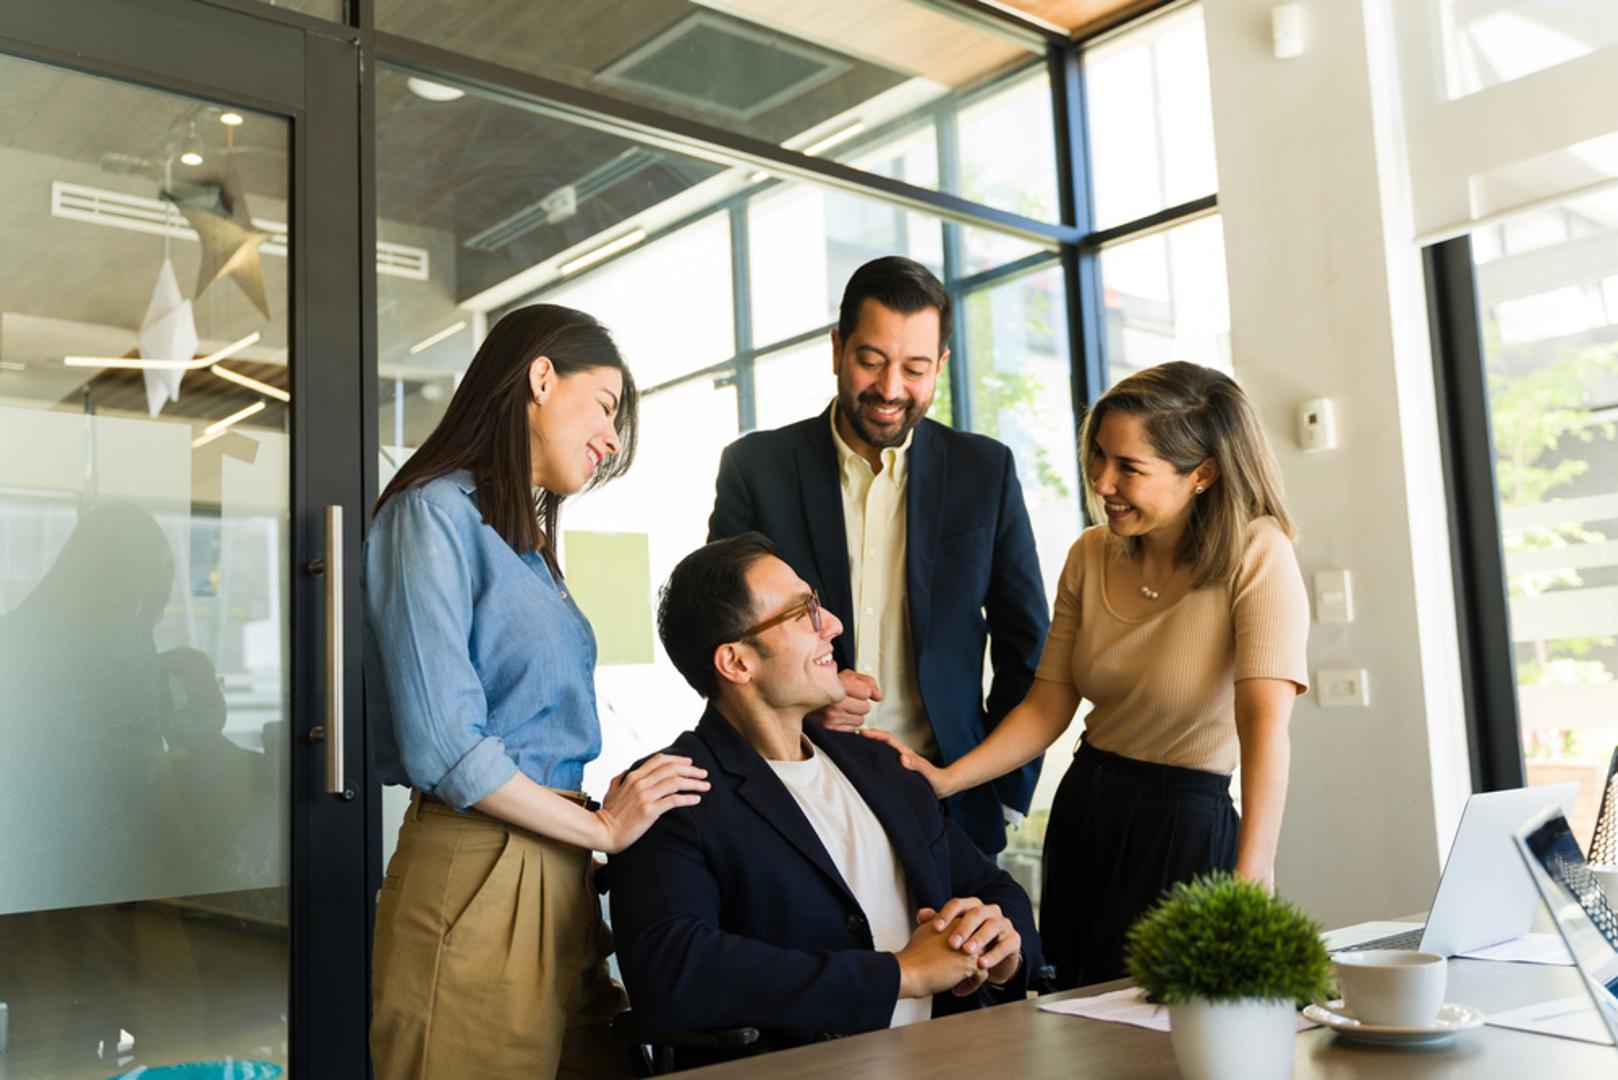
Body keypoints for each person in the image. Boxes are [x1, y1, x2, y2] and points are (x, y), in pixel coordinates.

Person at [865, 361, 1310, 988]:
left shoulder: (1258, 551)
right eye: (1098, 456)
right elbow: (1048, 703)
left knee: (1175, 1026)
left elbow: (1265, 727)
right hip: (1087, 811)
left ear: (1202, 473)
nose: (1102, 482)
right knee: (1077, 1009)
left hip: (1184, 826)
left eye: (1130, 468)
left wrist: (1254, 869)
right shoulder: (1090, 553)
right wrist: (943, 780)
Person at [363, 305, 710, 1078]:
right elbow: (446, 745)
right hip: (480, 873)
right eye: (607, 406)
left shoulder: (526, 548)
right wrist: (605, 830)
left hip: (562, 871)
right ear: (541, 376)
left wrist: (595, 829)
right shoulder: (428, 514)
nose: (613, 439)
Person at [608, 533, 1038, 1056]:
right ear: (737, 663)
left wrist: (1000, 947)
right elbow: (674, 970)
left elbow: (991, 885)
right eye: (802, 612)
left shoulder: (881, 764)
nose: (832, 624)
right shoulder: (671, 790)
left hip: (956, 1059)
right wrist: (897, 974)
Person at [707, 255, 1049, 856]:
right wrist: (810, 697)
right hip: (795, 793)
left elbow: (1029, 648)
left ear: (941, 365)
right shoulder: (756, 469)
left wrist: (998, 787)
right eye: (871, 361)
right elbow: (720, 633)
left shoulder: (985, 471)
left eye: (915, 368)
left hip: (949, 803)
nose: (891, 389)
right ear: (838, 347)